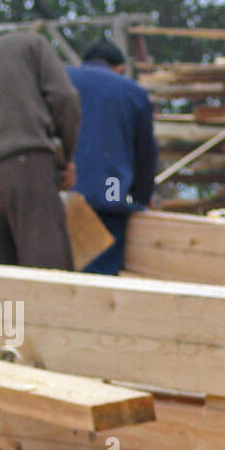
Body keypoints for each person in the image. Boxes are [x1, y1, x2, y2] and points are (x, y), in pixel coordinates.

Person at [0, 30, 80, 269]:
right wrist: (65, 159)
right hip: (26, 164)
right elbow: (65, 98)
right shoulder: (31, 43)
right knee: (48, 271)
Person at [66, 40, 158, 275]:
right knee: (99, 285)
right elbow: (145, 154)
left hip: (60, 198)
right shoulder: (133, 92)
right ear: (120, 68)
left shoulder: (62, 79)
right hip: (108, 199)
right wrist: (143, 196)